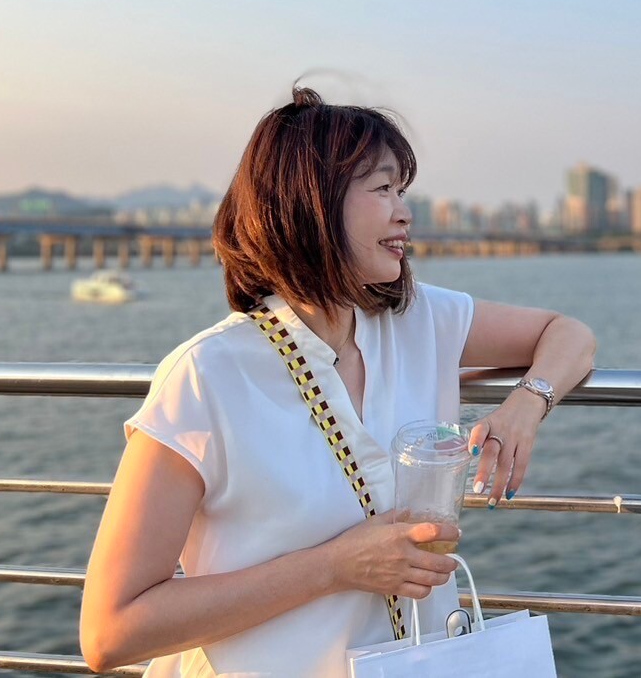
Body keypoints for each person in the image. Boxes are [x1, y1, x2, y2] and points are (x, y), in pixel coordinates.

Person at [79, 87, 597, 675]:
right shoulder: (208, 377)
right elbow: (110, 631)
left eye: (402, 191)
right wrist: (333, 567)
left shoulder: (418, 320)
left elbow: (570, 335)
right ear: (314, 204)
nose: (404, 213)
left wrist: (526, 405)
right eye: (382, 189)